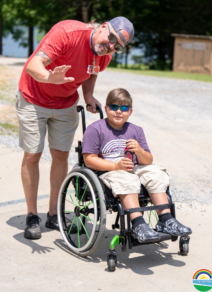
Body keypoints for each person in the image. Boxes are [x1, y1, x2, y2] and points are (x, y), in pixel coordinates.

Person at [16, 17, 134, 240]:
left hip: (65, 104)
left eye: (117, 46)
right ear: (102, 27)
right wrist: (50, 77)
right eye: (111, 39)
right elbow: (32, 65)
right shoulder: (67, 33)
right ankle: (32, 216)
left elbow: (93, 71)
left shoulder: (104, 54)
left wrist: (88, 95)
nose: (111, 46)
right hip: (33, 99)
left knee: (60, 156)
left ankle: (54, 214)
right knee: (33, 155)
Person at [82, 88, 192, 243]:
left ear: (130, 111)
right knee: (126, 178)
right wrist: (116, 167)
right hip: (108, 170)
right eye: (114, 107)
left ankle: (165, 219)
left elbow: (148, 161)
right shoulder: (95, 129)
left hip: (132, 168)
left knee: (156, 173)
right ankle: (138, 224)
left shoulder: (136, 130)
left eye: (124, 108)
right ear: (106, 108)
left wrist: (139, 151)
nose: (119, 111)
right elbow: (89, 159)